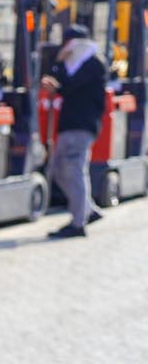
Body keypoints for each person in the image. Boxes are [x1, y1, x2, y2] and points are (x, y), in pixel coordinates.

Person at [43, 24, 106, 239]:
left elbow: (69, 86)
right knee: (61, 170)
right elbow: (66, 86)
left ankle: (79, 222)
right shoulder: (80, 63)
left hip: (80, 126)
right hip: (72, 125)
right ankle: (88, 210)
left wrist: (59, 62)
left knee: (73, 170)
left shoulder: (92, 63)